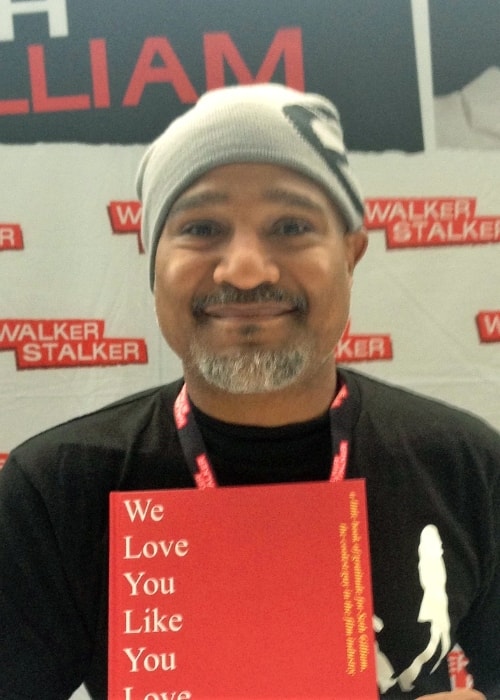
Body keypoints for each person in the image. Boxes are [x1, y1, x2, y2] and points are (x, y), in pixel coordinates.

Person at [0, 83, 499, 700]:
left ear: (352, 253)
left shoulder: (466, 466)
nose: (245, 270)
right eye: (201, 227)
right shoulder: (55, 490)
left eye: (290, 226)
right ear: (152, 261)